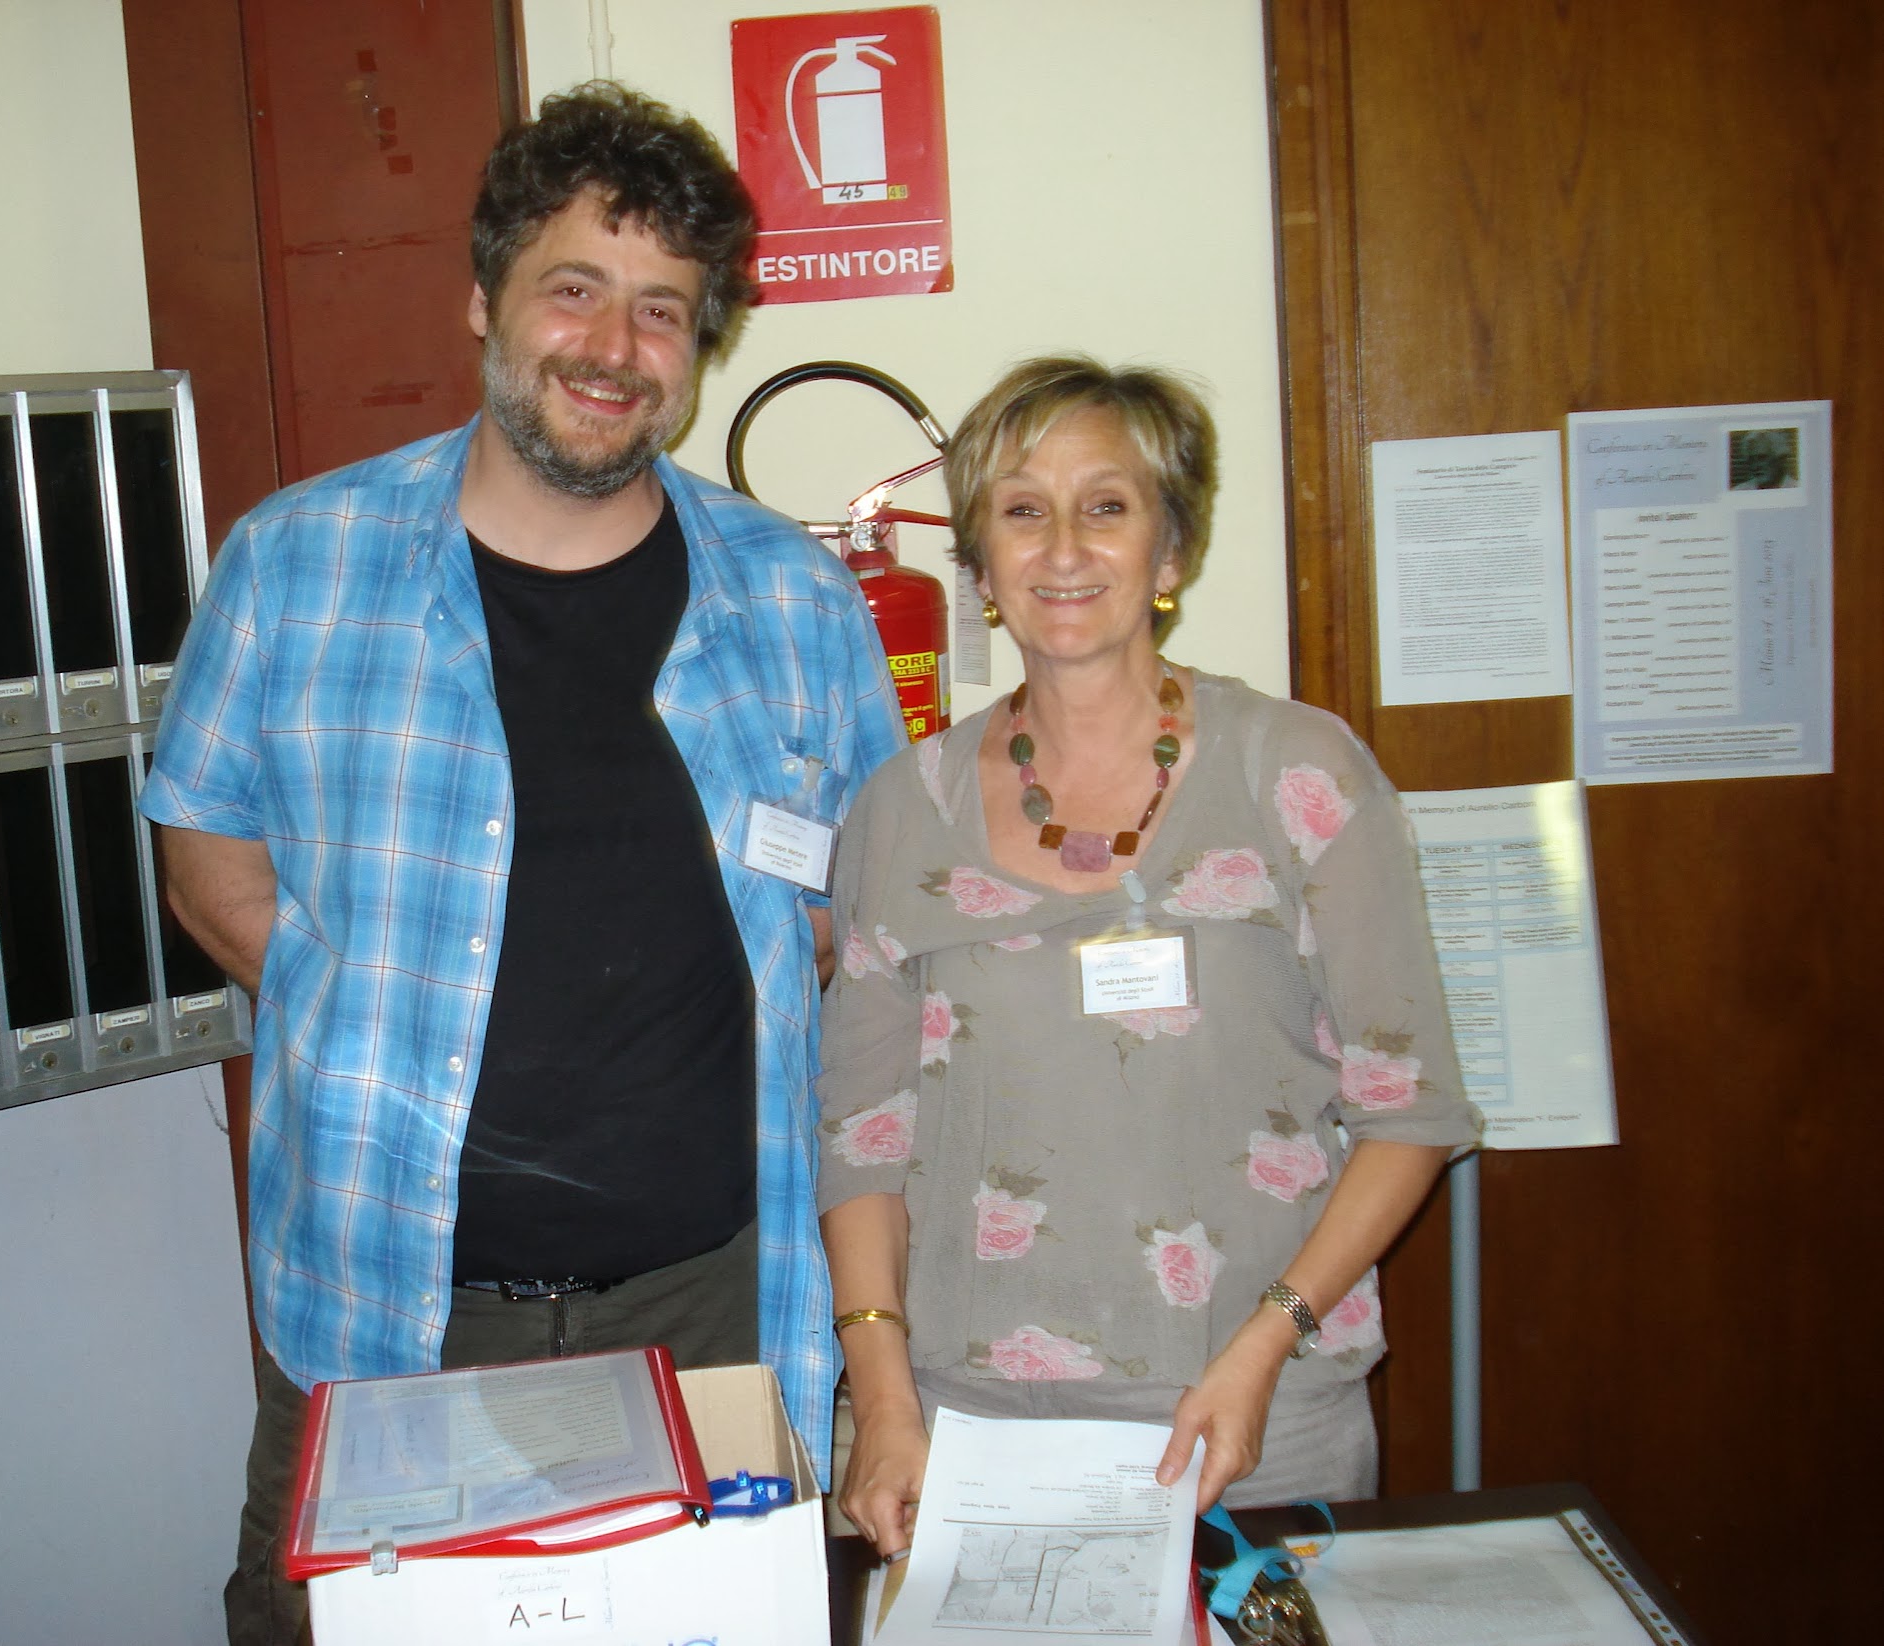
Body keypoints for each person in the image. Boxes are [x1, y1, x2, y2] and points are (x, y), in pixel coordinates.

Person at [141, 82, 905, 1643]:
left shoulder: (797, 601)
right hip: (383, 1310)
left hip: (710, 1314)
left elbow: (849, 916)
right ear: (483, 296)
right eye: (574, 289)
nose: (614, 349)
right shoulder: (293, 563)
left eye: (663, 313)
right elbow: (206, 852)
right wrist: (371, 1021)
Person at [818, 355, 1480, 1558]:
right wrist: (881, 1396)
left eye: (1106, 506)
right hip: (971, 1428)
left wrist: (1267, 1342)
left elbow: (1411, 1110)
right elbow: (862, 1130)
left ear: (1168, 555)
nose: (1062, 547)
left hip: (1254, 1409)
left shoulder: (1299, 774)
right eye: (1022, 509)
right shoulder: (898, 810)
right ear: (980, 564)